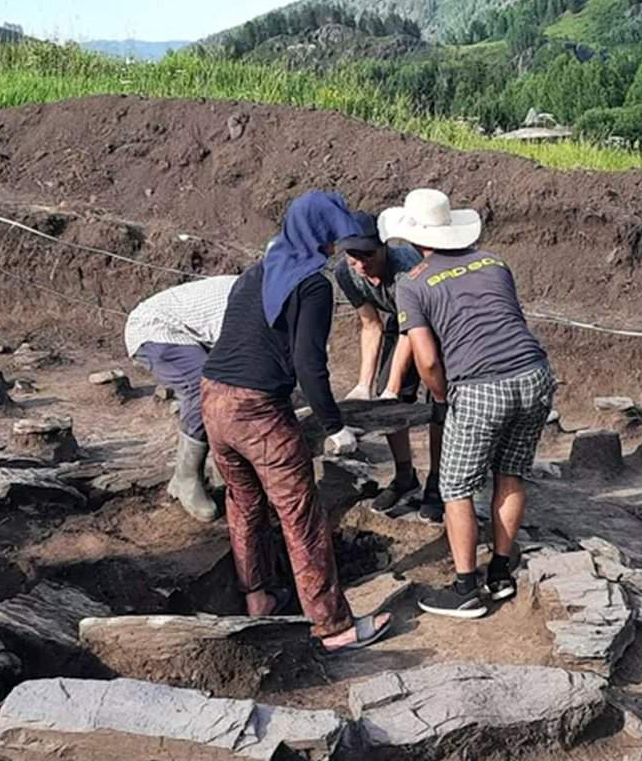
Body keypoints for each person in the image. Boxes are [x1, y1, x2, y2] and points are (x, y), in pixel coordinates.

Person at [201, 191, 391, 652]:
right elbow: (309, 365)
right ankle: (333, 627)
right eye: (334, 238)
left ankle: (259, 601)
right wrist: (334, 426)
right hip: (259, 411)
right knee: (300, 516)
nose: (336, 248)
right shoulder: (312, 285)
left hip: (212, 400)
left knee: (243, 505)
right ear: (323, 236)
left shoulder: (256, 273)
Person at [381, 188, 555, 620]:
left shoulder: (413, 283)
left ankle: (464, 589)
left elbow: (426, 358)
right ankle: (499, 572)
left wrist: (442, 396)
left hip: (478, 386)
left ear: (413, 236)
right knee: (510, 472)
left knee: (456, 487)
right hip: (533, 375)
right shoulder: (495, 263)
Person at [333, 224, 444, 518]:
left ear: (384, 247)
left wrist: (392, 389)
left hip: (439, 323)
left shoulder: (406, 270)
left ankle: (437, 482)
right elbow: (371, 325)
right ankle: (405, 476)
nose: (360, 266)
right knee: (390, 407)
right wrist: (363, 386)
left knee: (438, 402)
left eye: (367, 256)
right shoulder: (346, 273)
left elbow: (413, 332)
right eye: (352, 258)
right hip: (402, 321)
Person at [124, 274, 239, 522]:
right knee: (205, 388)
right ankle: (186, 478)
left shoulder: (273, 298)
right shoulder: (248, 303)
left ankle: (223, 473)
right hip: (155, 328)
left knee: (228, 391)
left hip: (191, 333)